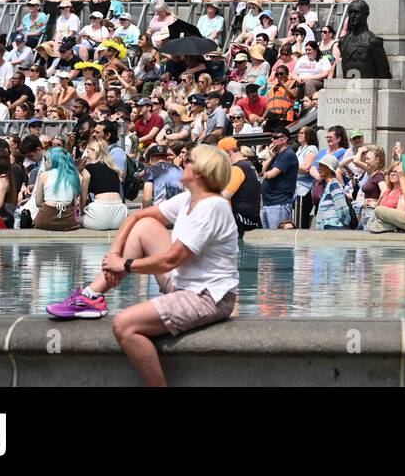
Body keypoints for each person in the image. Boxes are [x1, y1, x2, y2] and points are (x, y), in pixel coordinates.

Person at [47, 145, 239, 387]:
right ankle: (91, 295)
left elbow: (171, 259)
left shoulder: (212, 207)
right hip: (183, 284)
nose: (181, 162)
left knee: (124, 325)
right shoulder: (189, 199)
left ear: (200, 171)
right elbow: (136, 217)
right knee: (145, 226)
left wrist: (125, 265)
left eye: (187, 160)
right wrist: (114, 256)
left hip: (207, 297)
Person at [32, 146, 83, 231]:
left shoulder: (44, 175)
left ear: (53, 161)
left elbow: (38, 203)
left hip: (45, 218)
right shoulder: (72, 176)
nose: (44, 163)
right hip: (67, 220)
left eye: (46, 160)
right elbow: (74, 202)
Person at [260, 130, 297, 230]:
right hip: (269, 203)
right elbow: (262, 170)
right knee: (268, 239)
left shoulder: (288, 154)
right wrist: (270, 158)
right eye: (272, 137)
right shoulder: (277, 155)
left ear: (285, 139)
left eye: (276, 137)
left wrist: (265, 174)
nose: (272, 140)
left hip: (279, 203)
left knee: (277, 239)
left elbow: (270, 175)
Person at [313, 154, 351, 229]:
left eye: (322, 165)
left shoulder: (334, 185)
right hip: (328, 228)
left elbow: (342, 207)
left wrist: (345, 223)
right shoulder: (328, 185)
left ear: (330, 169)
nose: (318, 168)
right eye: (319, 165)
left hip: (335, 228)